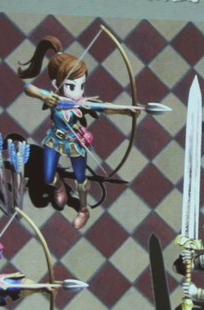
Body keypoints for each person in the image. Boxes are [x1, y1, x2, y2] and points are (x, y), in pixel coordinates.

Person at [17, 35, 137, 228]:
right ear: (56, 84)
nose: (78, 92)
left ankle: (83, 209)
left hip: (75, 142)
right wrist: (42, 96)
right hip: (55, 140)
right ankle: (59, 186)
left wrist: (126, 110)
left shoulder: (83, 102)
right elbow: (27, 87)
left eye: (81, 86)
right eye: (72, 86)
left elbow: (105, 107)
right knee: (48, 176)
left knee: (81, 179)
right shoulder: (54, 98)